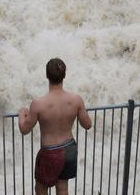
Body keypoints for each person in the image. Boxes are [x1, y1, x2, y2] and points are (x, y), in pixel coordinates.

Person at [18, 58, 92, 195]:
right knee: (62, 189)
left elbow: (24, 129)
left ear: (47, 76)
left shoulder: (38, 104)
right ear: (64, 75)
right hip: (69, 147)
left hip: (50, 153)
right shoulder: (76, 100)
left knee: (41, 189)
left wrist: (22, 114)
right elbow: (87, 124)